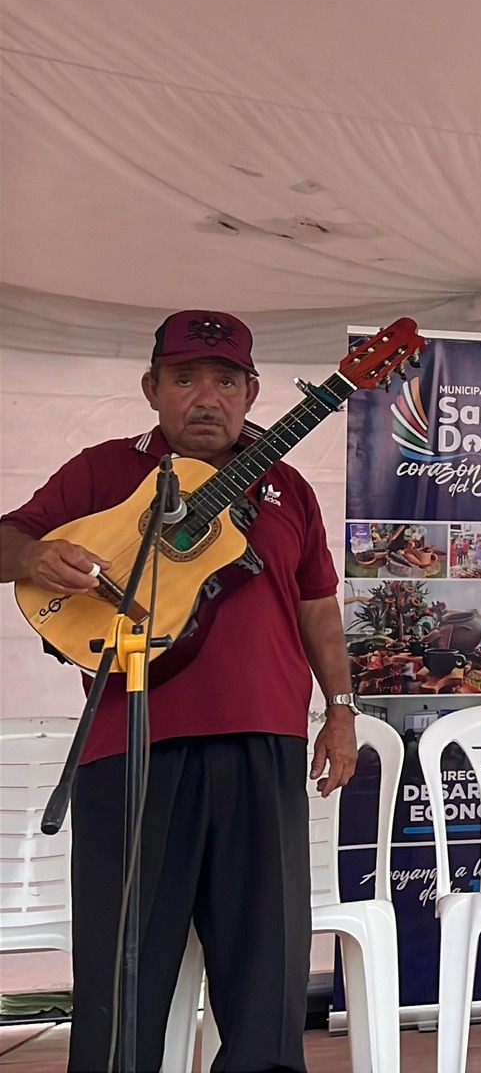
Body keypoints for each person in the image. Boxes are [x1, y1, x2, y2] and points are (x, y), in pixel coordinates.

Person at [0, 310, 358, 1072]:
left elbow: (319, 606)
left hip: (265, 739)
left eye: (225, 381)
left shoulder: (288, 486)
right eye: (185, 378)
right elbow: (5, 540)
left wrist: (341, 710)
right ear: (151, 389)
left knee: (267, 966)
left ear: (251, 393)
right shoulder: (103, 470)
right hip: (130, 744)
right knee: (122, 967)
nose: (206, 397)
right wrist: (34, 557)